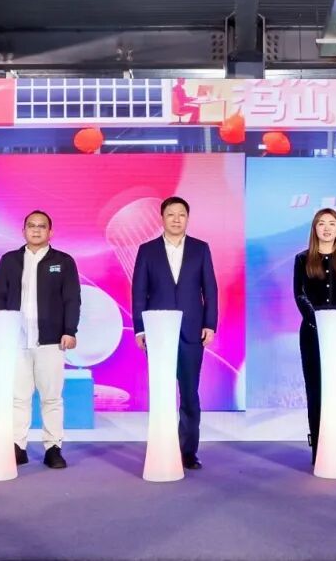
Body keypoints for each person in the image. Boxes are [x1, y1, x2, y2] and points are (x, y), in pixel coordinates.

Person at [0, 210, 81, 469]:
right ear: (23, 231)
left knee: (51, 397)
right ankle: (17, 446)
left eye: (42, 226)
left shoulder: (63, 261)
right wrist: (0, 331)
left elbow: (72, 299)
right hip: (16, 340)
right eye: (31, 225)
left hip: (51, 341)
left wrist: (70, 330)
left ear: (51, 232)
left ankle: (53, 448)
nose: (36, 230)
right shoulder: (9, 260)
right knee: (18, 397)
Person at [132, 196, 218, 470]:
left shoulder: (200, 249)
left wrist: (210, 324)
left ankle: (188, 451)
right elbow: (138, 293)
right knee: (162, 392)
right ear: (162, 218)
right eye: (171, 214)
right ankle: (163, 446)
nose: (176, 219)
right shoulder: (147, 250)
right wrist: (140, 328)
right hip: (158, 332)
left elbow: (210, 289)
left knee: (190, 393)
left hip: (192, 331)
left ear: (187, 218)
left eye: (181, 214)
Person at [293, 208, 336, 465]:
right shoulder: (302, 259)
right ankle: (319, 448)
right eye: (321, 223)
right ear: (315, 229)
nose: (327, 228)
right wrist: (319, 322)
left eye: (332, 223)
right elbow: (300, 294)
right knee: (316, 390)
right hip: (312, 333)